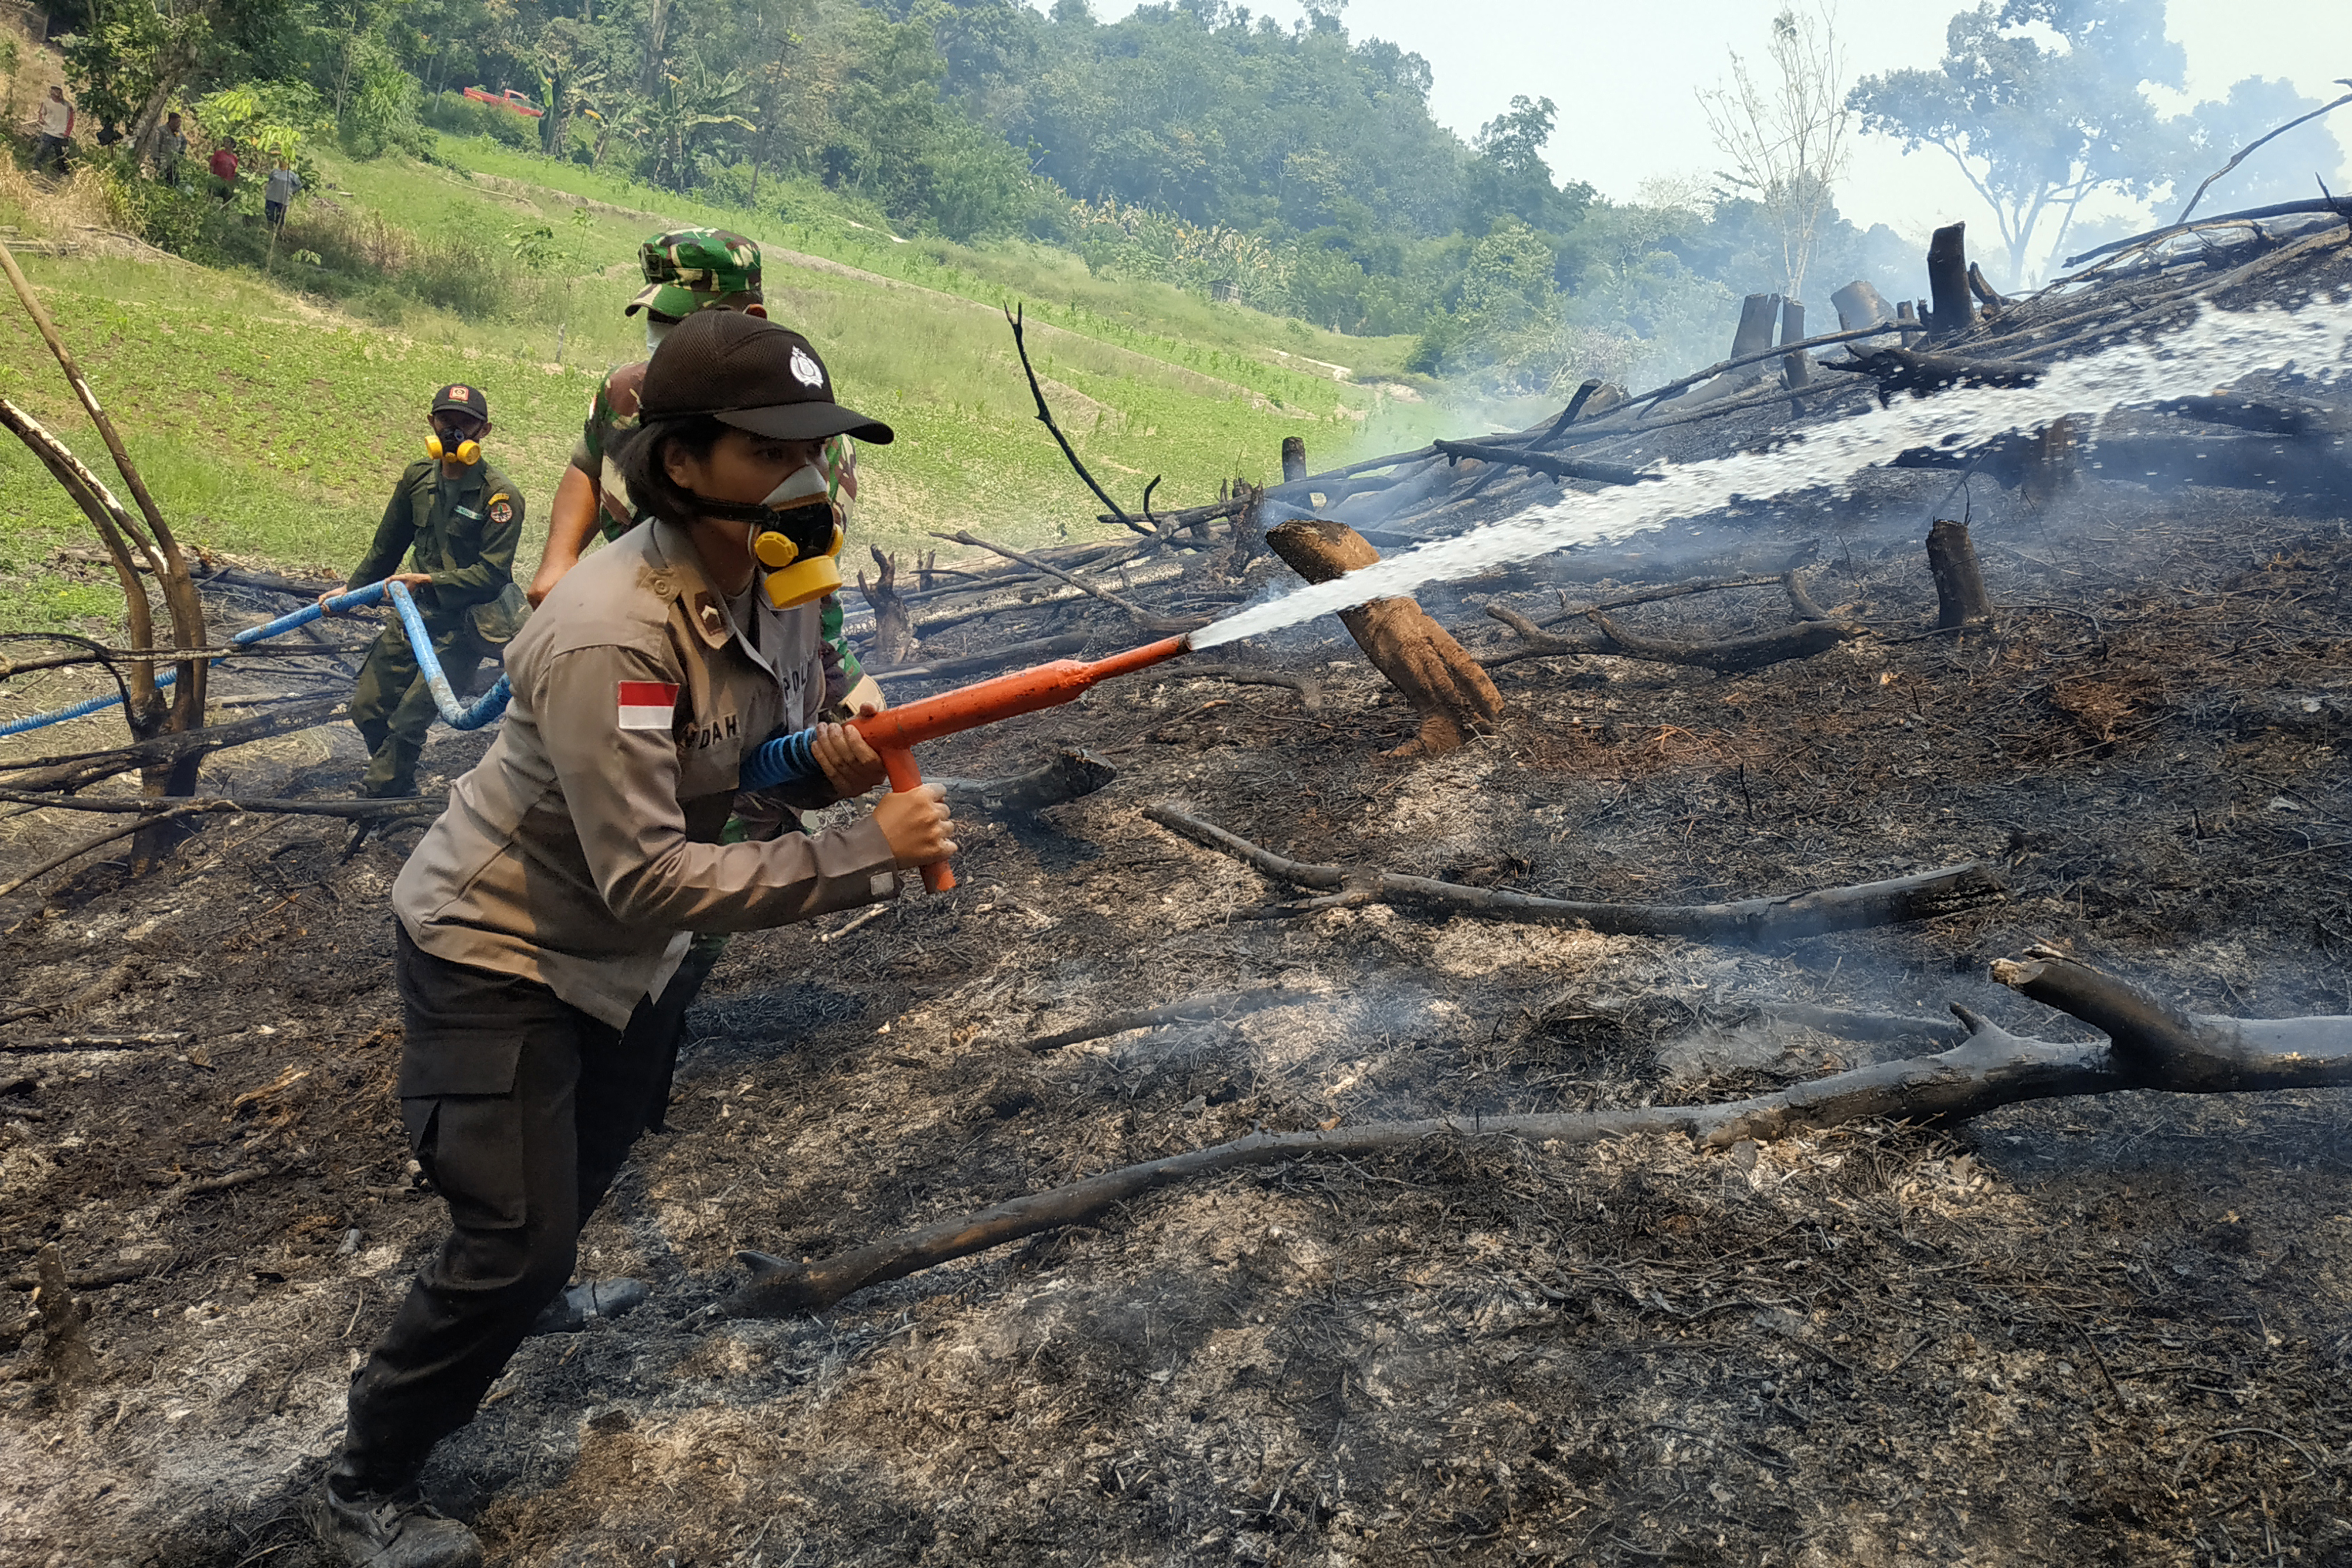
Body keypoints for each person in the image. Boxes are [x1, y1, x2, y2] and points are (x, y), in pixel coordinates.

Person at [308, 312, 953, 1568]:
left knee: (588, 1161)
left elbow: (740, 749)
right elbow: (649, 869)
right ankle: (364, 1481)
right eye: (770, 452)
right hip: (504, 946)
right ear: (681, 464)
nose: (806, 481)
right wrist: (864, 850)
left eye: (814, 451)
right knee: (512, 1241)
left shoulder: (774, 572)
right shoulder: (613, 630)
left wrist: (827, 751)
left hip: (626, 949)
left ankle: (534, 1294)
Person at [527, 227, 882, 714]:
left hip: (760, 642)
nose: (666, 337)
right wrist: (559, 558)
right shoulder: (628, 392)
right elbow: (587, 464)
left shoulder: (800, 435)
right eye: (658, 319)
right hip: (642, 617)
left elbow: (794, 602)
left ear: (750, 320)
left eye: (684, 321)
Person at [332, 385, 527, 798]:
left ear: (484, 431)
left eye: (465, 423)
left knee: (408, 723)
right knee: (367, 709)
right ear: (431, 422)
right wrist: (350, 593)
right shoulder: (417, 478)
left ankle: (383, 795)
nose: (454, 430)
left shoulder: (499, 496)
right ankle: (396, 784)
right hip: (411, 617)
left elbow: (493, 575)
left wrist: (428, 582)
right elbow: (385, 549)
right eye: (446, 419)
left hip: (463, 628)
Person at [32, 85, 74, 176]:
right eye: (53, 90)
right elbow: (41, 114)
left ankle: (64, 174)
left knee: (62, 155)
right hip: (48, 132)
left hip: (61, 134)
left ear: (60, 92)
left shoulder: (67, 106)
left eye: (57, 90)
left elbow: (71, 120)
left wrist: (67, 133)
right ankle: (36, 169)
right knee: (42, 151)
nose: (54, 93)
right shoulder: (46, 102)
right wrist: (41, 120)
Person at [264, 155, 300, 228]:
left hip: (283, 199)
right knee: (269, 215)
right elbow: (270, 180)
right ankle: (270, 229)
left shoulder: (291, 175)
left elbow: (299, 185)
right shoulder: (275, 172)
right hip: (271, 197)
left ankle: (279, 231)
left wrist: (291, 191)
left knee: (280, 218)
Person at [157, 112, 188, 188]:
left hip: (174, 160)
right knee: (163, 179)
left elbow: (184, 141)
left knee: (174, 180)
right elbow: (156, 145)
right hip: (163, 160)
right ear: (171, 121)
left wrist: (181, 152)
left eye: (180, 122)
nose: (179, 124)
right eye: (177, 122)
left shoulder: (178, 132)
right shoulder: (162, 131)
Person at [208, 139, 239, 205]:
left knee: (226, 201)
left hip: (227, 183)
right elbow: (212, 165)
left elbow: (233, 172)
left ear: (232, 144)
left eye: (228, 142)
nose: (226, 143)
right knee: (212, 197)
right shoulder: (219, 153)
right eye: (225, 142)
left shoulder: (234, 158)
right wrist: (212, 177)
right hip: (217, 180)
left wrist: (231, 184)